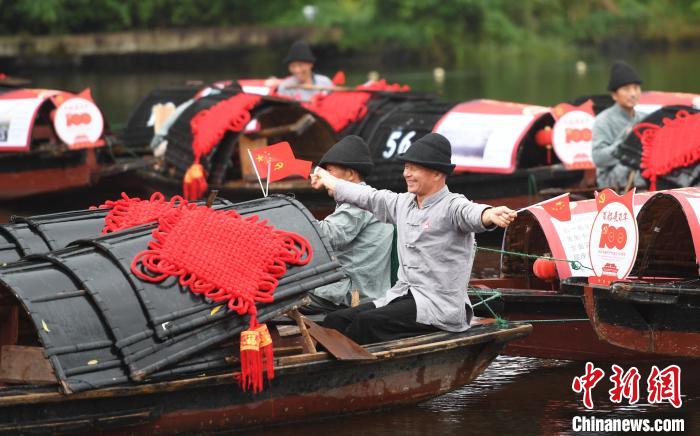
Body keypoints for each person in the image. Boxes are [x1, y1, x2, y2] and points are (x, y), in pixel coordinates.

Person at [310, 133, 517, 345]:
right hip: (402, 295)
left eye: (413, 168)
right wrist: (328, 179)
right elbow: (367, 196)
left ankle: (359, 375)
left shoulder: (452, 205)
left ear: (437, 173)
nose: (406, 174)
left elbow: (472, 213)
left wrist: (490, 215)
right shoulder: (402, 203)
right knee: (335, 320)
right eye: (406, 167)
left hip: (438, 305)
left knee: (365, 323)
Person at [299, 136, 394, 315]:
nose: (323, 177)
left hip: (353, 293)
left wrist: (287, 221)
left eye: (329, 172)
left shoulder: (358, 201)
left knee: (277, 296)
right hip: (354, 288)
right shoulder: (363, 198)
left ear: (350, 174)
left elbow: (327, 236)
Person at [592, 60, 647, 190]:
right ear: (614, 95)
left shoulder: (645, 119)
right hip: (612, 182)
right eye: (627, 89)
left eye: (636, 88)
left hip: (643, 177)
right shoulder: (603, 120)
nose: (633, 94)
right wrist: (625, 142)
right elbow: (598, 158)